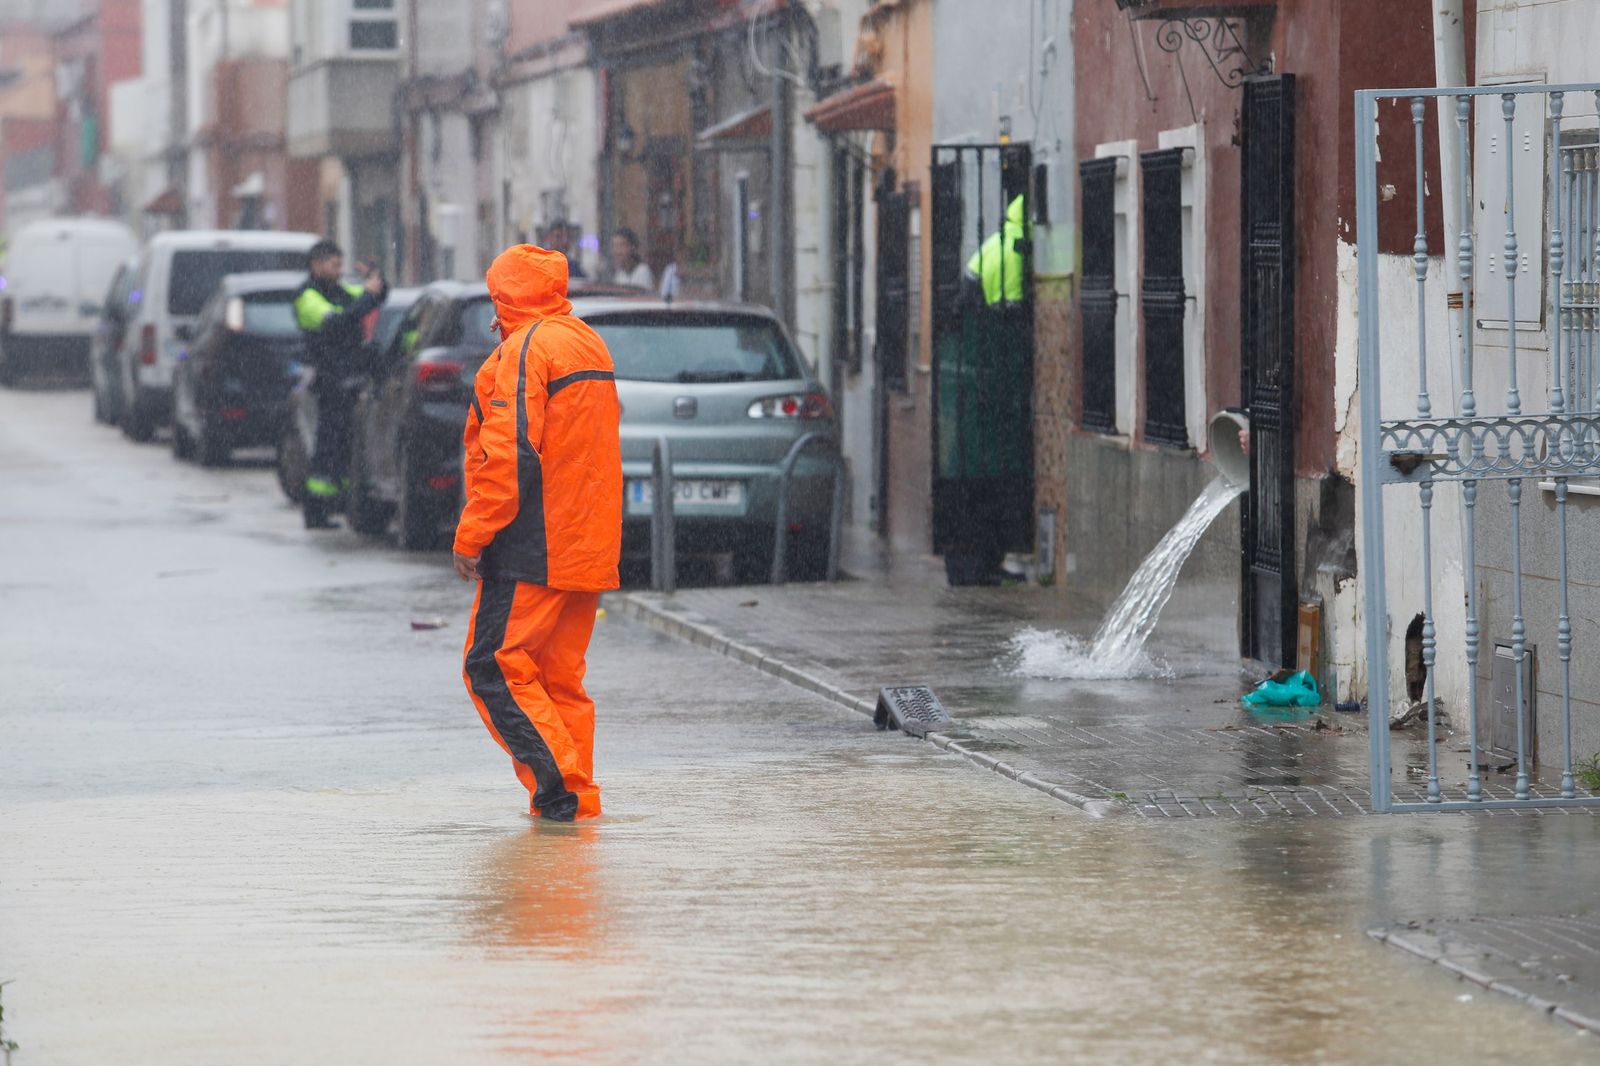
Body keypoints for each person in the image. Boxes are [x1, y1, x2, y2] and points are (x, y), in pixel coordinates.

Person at [453, 244, 623, 822]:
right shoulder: (582, 339)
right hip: (586, 542)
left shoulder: (528, 348)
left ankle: (560, 798)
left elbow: (511, 454)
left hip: (534, 543)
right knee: (557, 679)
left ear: (505, 297)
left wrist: (472, 535)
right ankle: (580, 806)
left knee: (492, 666)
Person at [293, 239, 387, 529]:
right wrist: (366, 299)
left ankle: (341, 503)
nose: (339, 269)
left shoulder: (340, 290)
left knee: (344, 443)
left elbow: (370, 299)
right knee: (328, 443)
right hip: (328, 380)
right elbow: (338, 322)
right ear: (317, 265)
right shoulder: (307, 296)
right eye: (334, 264)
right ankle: (316, 509)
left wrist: (377, 280)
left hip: (346, 378)